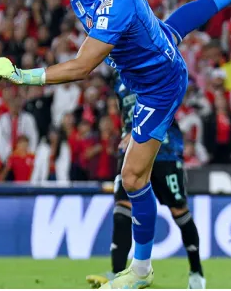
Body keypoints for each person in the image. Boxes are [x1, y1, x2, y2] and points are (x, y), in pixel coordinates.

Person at [0, 0, 231, 289]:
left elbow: (82, 68)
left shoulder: (113, 4)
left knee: (133, 178)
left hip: (159, 85)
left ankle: (141, 271)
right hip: (147, 49)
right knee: (172, 27)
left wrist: (20, 75)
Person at [86, 72, 205, 289]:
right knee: (122, 210)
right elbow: (125, 113)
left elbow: (168, 102)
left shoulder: (153, 64)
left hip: (164, 150)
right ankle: (117, 273)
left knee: (179, 211)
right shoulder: (118, 79)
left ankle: (196, 273)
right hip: (130, 152)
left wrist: (139, 132)